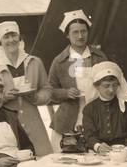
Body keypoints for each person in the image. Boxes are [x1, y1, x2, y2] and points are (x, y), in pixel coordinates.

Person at [0, 21, 54, 157]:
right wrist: (3, 97)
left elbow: (47, 89)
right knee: (13, 164)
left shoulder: (34, 62)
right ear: (0, 42)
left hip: (33, 123)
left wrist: (37, 97)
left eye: (14, 35)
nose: (11, 40)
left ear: (20, 38)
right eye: (6, 37)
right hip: (5, 125)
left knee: (42, 161)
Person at [46, 9, 108, 137]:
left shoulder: (99, 57)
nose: (80, 36)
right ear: (67, 35)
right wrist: (66, 93)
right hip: (68, 119)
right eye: (75, 32)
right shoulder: (59, 61)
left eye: (83, 31)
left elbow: (110, 83)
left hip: (97, 116)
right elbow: (49, 91)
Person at [81, 62, 127, 153]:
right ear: (96, 86)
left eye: (114, 85)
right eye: (106, 86)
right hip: (101, 153)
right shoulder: (89, 109)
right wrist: (97, 146)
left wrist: (124, 149)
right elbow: (89, 135)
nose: (111, 90)